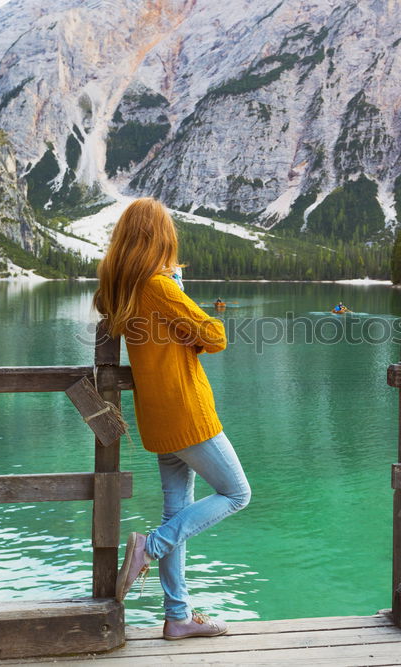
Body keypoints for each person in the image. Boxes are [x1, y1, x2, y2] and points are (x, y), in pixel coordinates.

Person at [93, 197, 251, 640]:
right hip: (187, 413)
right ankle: (149, 547)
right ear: (160, 238)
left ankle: (177, 616)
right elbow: (215, 336)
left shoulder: (122, 288)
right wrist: (178, 290)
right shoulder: (160, 287)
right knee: (237, 493)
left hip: (157, 418)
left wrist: (180, 316)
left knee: (177, 510)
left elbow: (165, 333)